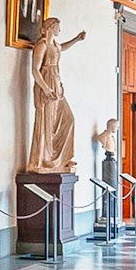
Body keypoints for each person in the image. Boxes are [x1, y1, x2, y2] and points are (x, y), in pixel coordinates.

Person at [28, 18, 85, 172]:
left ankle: (60, 157)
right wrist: (45, 88)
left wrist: (77, 39)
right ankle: (45, 159)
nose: (60, 29)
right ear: (52, 27)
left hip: (57, 84)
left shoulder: (54, 45)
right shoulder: (42, 46)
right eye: (58, 26)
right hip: (46, 84)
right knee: (47, 123)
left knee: (68, 118)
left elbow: (63, 47)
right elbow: (34, 69)